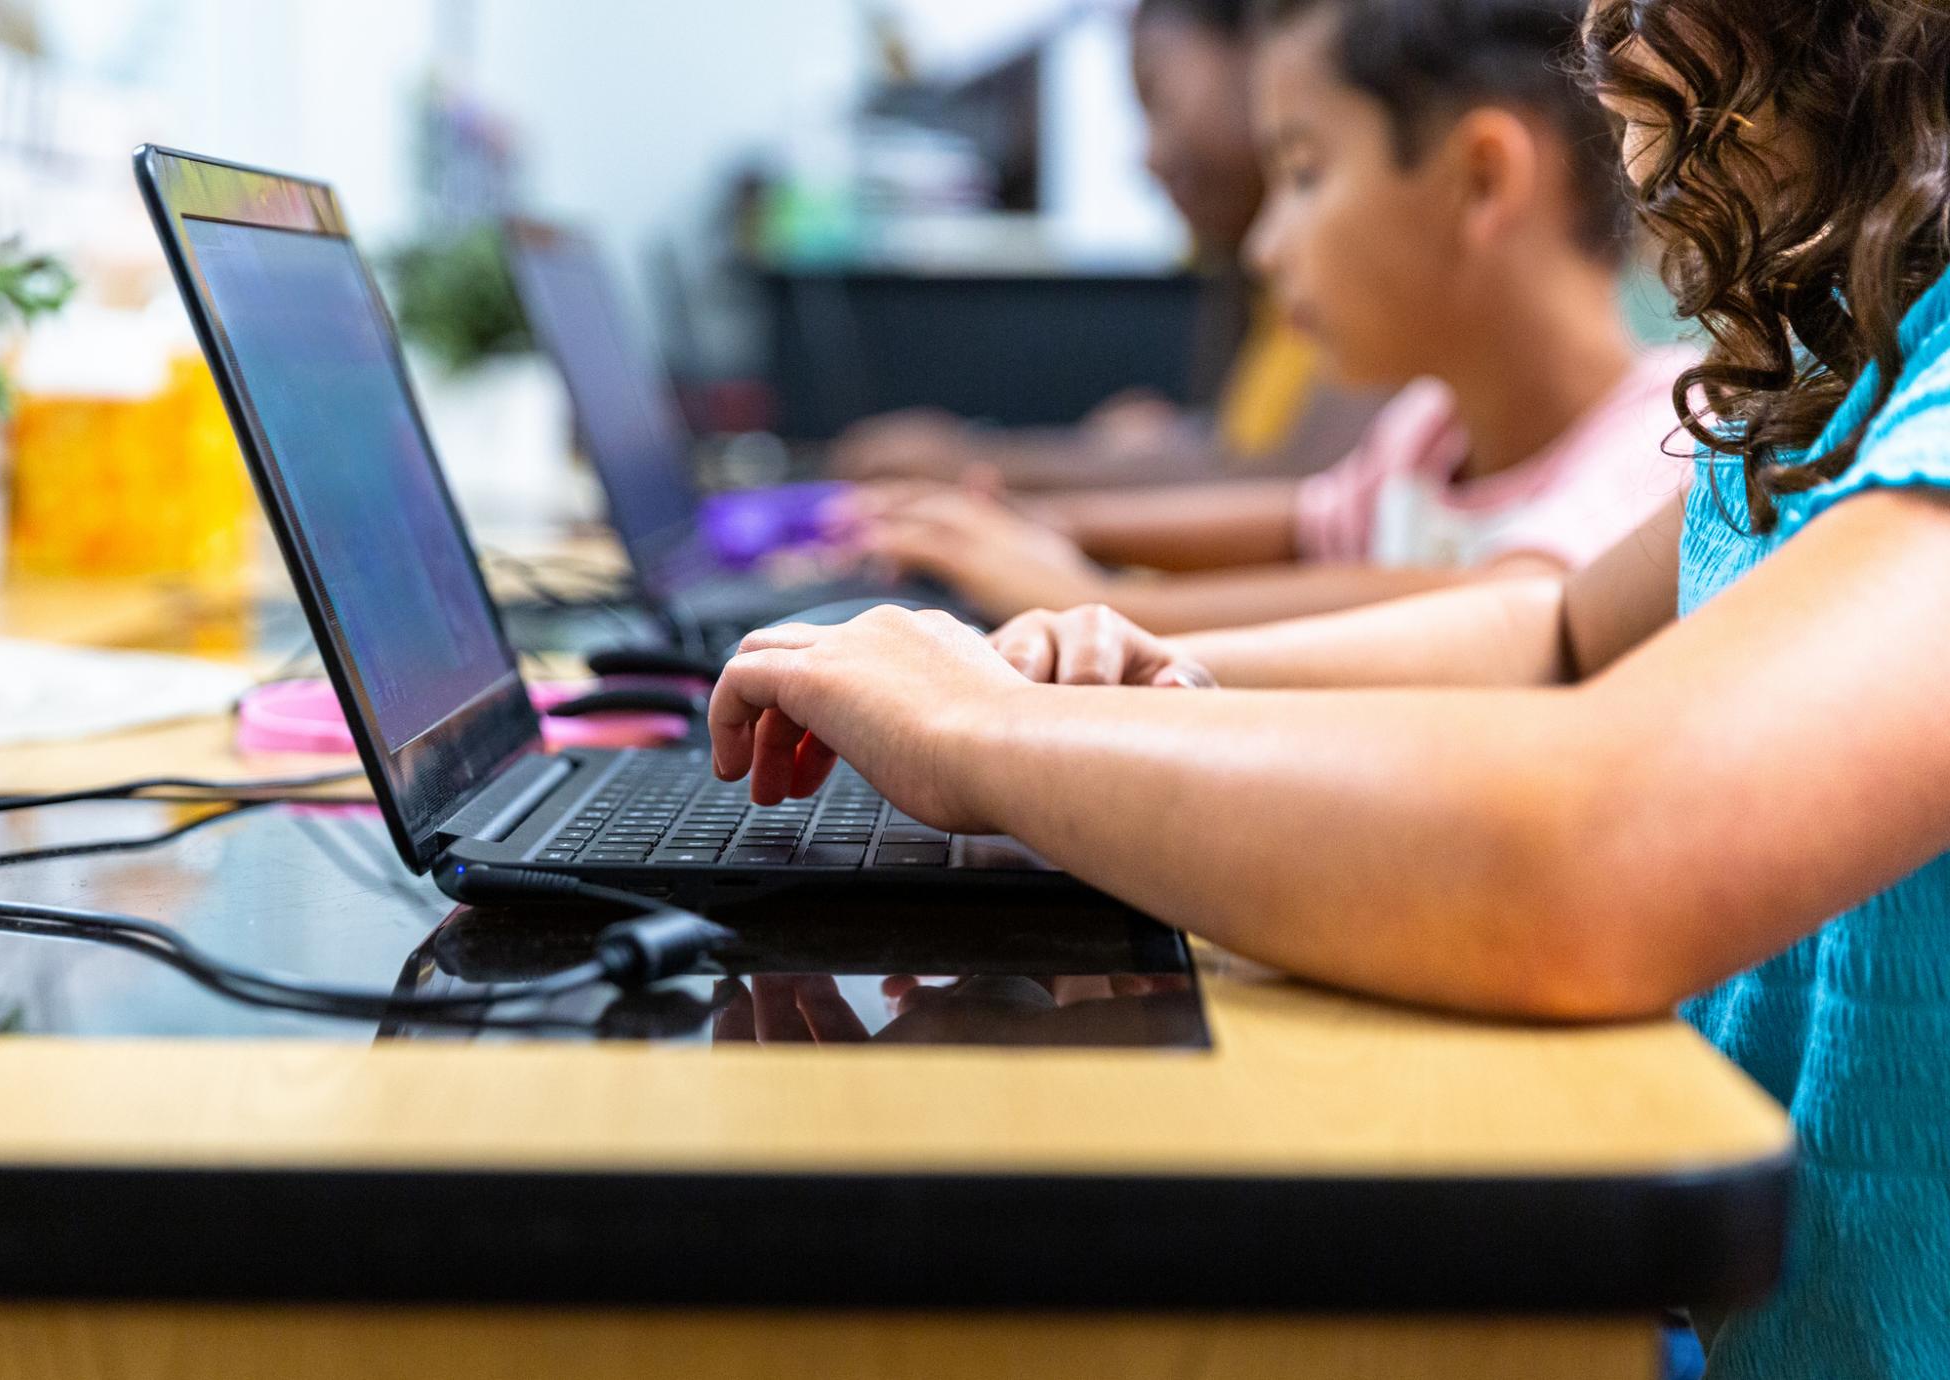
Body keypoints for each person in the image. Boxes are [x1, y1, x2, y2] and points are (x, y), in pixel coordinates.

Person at [706, 0, 1950, 1372]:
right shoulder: (1841, 356)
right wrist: (1129, 677)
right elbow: (1556, 634)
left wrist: (993, 734)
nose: (1606, 30)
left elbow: (1601, 852)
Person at [836, 0, 1695, 631]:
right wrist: (1037, 527)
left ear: (1481, 181)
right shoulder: (1431, 431)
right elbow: (1305, 522)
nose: (1265, 246)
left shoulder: (1665, 436)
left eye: (1305, 173)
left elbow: (1517, 608)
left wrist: (1098, 602)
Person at [828, 0, 1378, 492]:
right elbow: (1251, 459)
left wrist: (980, 471)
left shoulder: (1369, 268)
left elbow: (1299, 490)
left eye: (1156, 98)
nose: (1149, 157)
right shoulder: (1256, 277)